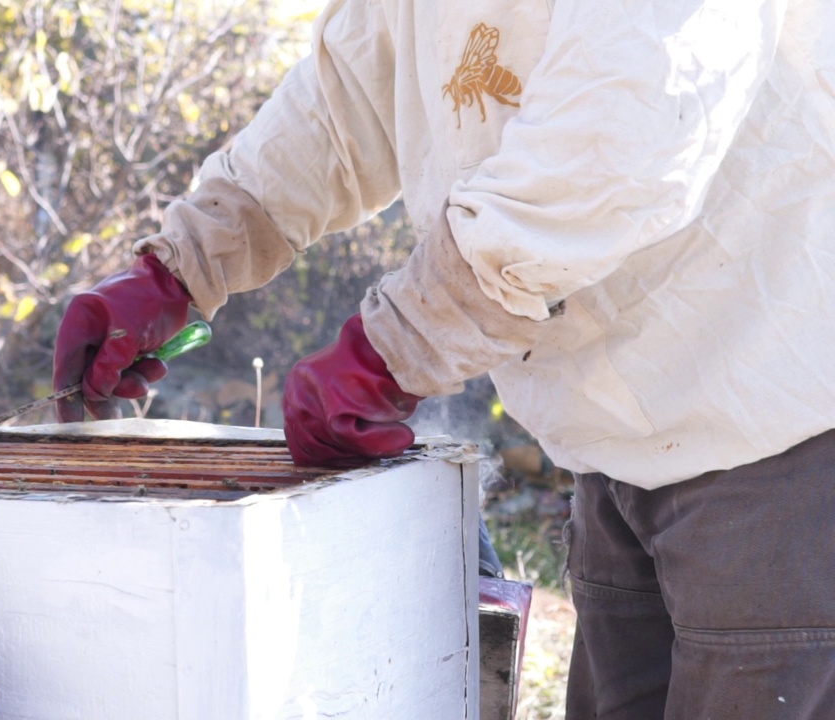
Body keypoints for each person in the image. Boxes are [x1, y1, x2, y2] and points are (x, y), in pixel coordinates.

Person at [52, 0, 835, 716]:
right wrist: (181, 266)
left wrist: (395, 349)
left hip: (777, 444)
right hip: (617, 450)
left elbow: (619, 138)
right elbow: (348, 97)